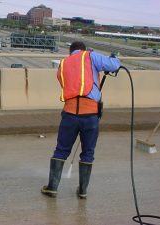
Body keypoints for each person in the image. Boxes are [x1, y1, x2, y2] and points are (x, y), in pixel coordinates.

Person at [41, 41, 120, 199]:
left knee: (61, 150)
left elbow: (68, 84)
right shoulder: (90, 56)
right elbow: (113, 66)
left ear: (70, 52)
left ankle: (52, 187)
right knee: (88, 152)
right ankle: (83, 191)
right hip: (90, 115)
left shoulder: (63, 64)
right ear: (83, 50)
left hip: (69, 114)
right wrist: (114, 58)